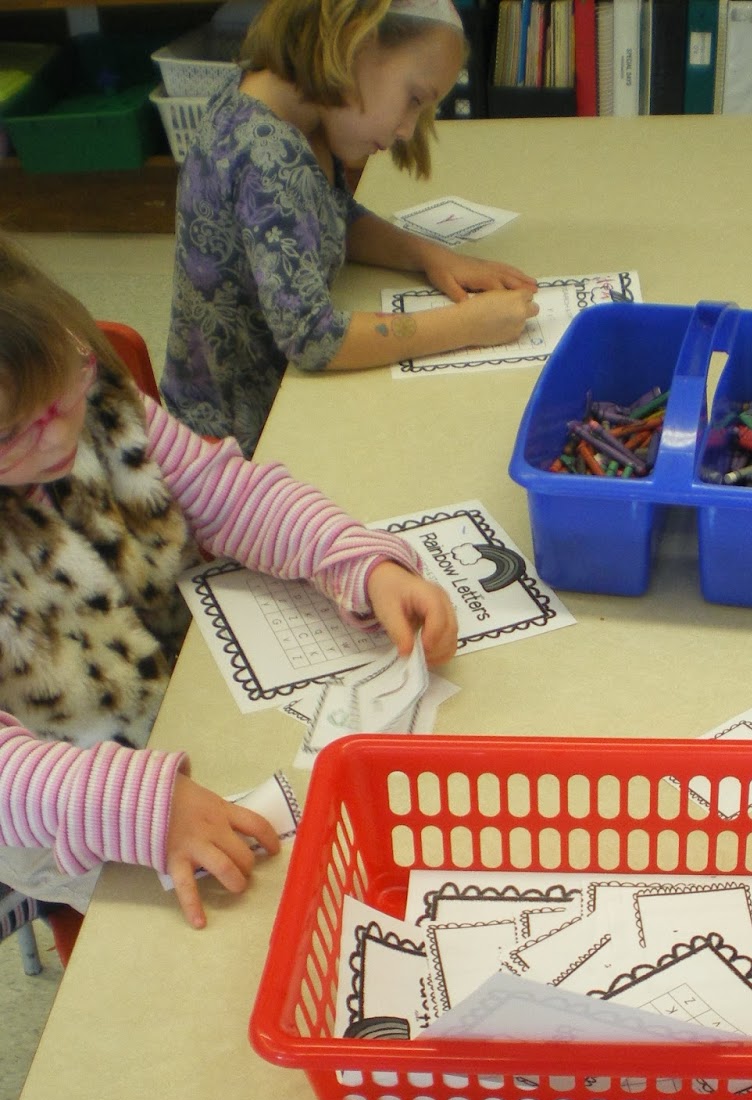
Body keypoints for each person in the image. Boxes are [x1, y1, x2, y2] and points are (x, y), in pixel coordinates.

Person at [0, 232, 458, 928]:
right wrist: (139, 805)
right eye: (14, 434)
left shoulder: (87, 401)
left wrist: (356, 561)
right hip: (60, 808)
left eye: (70, 384)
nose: (62, 433)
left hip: (181, 714)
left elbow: (225, 496)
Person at [162, 0, 539, 456]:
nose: (406, 130)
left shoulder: (279, 101)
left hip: (273, 406)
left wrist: (432, 256)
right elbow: (313, 338)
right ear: (356, 43)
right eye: (414, 100)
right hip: (237, 448)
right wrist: (465, 325)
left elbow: (329, 213)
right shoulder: (268, 156)